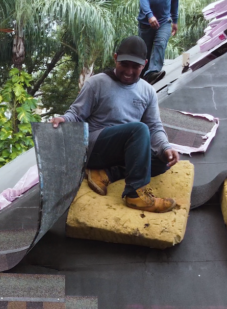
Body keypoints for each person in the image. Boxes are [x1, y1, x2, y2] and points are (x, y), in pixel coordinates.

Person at [51, 36, 180, 213]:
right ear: (115, 58)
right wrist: (63, 119)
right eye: (124, 64)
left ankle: (106, 173)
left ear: (145, 64)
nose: (129, 71)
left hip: (123, 148)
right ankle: (135, 194)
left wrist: (165, 147)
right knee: (139, 130)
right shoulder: (97, 83)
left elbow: (154, 127)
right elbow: (76, 113)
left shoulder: (147, 91)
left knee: (162, 160)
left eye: (135, 67)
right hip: (95, 147)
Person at [138, 0, 180, 84]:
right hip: (145, 24)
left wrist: (175, 20)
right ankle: (141, 77)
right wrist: (149, 15)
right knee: (145, 53)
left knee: (160, 43)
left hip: (164, 22)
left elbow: (174, 1)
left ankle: (152, 72)